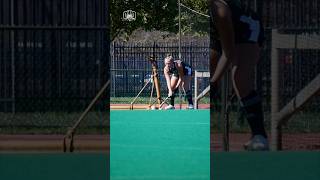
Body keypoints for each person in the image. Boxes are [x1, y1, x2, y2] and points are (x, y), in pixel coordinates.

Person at [210, 0, 269, 150]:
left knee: (239, 79)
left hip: (245, 28)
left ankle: (259, 136)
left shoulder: (220, 11)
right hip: (219, 30)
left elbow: (228, 53)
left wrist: (214, 82)